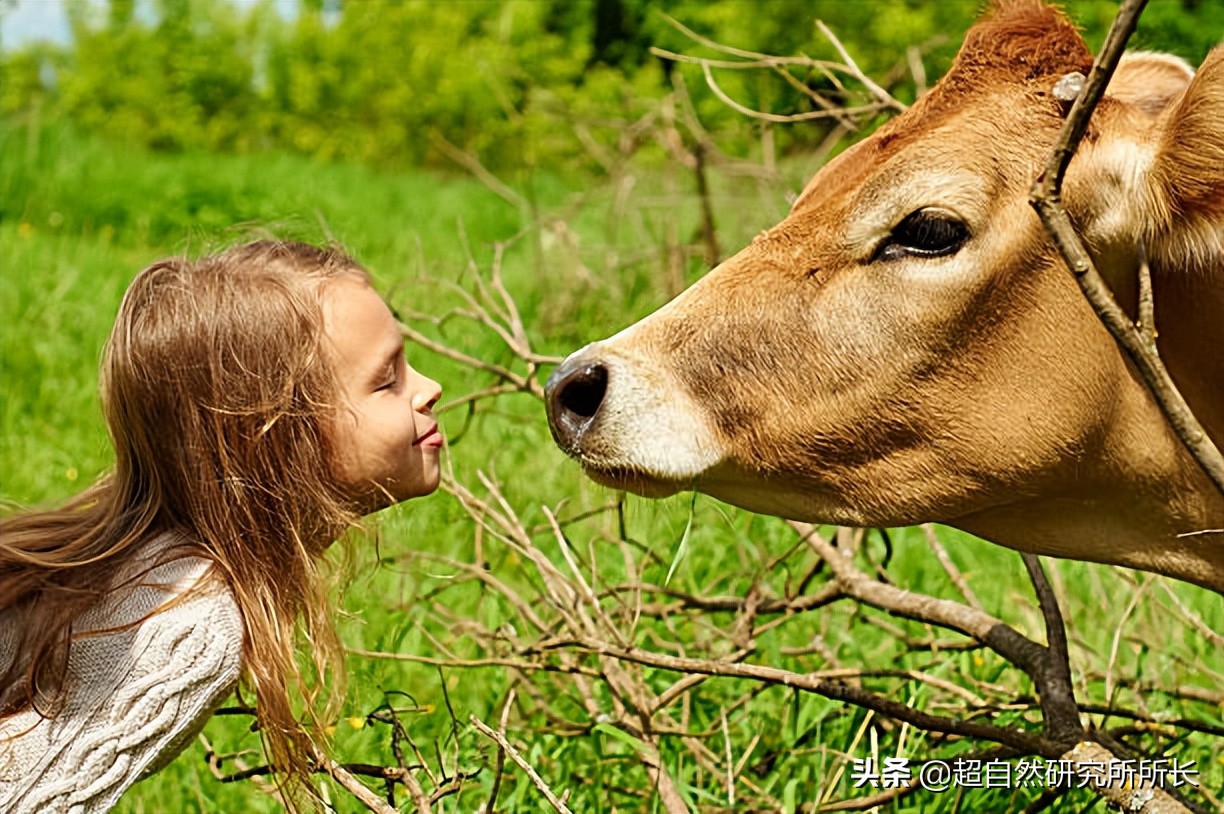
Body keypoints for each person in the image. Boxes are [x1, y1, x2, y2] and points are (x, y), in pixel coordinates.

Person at [0, 240, 444, 812]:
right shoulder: (194, 624)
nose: (429, 388)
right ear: (279, 439)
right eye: (386, 381)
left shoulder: (166, 562)